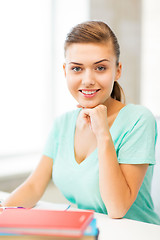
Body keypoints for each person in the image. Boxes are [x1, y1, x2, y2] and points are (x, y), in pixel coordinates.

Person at [1, 20, 160, 225]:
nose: (88, 80)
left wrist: (103, 133)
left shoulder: (139, 120)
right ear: (65, 71)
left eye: (100, 68)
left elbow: (117, 208)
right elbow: (33, 187)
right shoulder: (62, 124)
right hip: (89, 232)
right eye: (77, 69)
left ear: (117, 70)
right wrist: (3, 208)